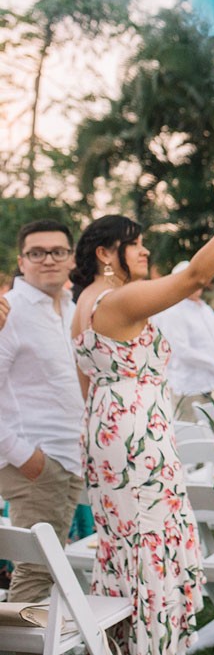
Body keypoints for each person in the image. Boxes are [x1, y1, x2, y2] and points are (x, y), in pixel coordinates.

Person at [70, 187, 214, 655]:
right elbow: (196, 276)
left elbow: (90, 383)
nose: (144, 251)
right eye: (134, 243)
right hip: (138, 439)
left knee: (125, 542)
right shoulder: (120, 301)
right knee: (149, 541)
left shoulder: (84, 305)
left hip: (106, 432)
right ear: (106, 253)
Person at [0, 220, 84, 603]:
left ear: (71, 258)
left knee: (53, 568)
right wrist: (25, 457)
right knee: (35, 573)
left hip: (70, 458)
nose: (48, 259)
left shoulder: (71, 308)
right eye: (37, 253)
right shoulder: (10, 312)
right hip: (35, 464)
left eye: (57, 251)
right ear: (22, 261)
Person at [152, 261, 214, 421]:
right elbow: (182, 350)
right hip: (190, 388)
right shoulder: (174, 311)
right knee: (197, 437)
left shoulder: (205, 308)